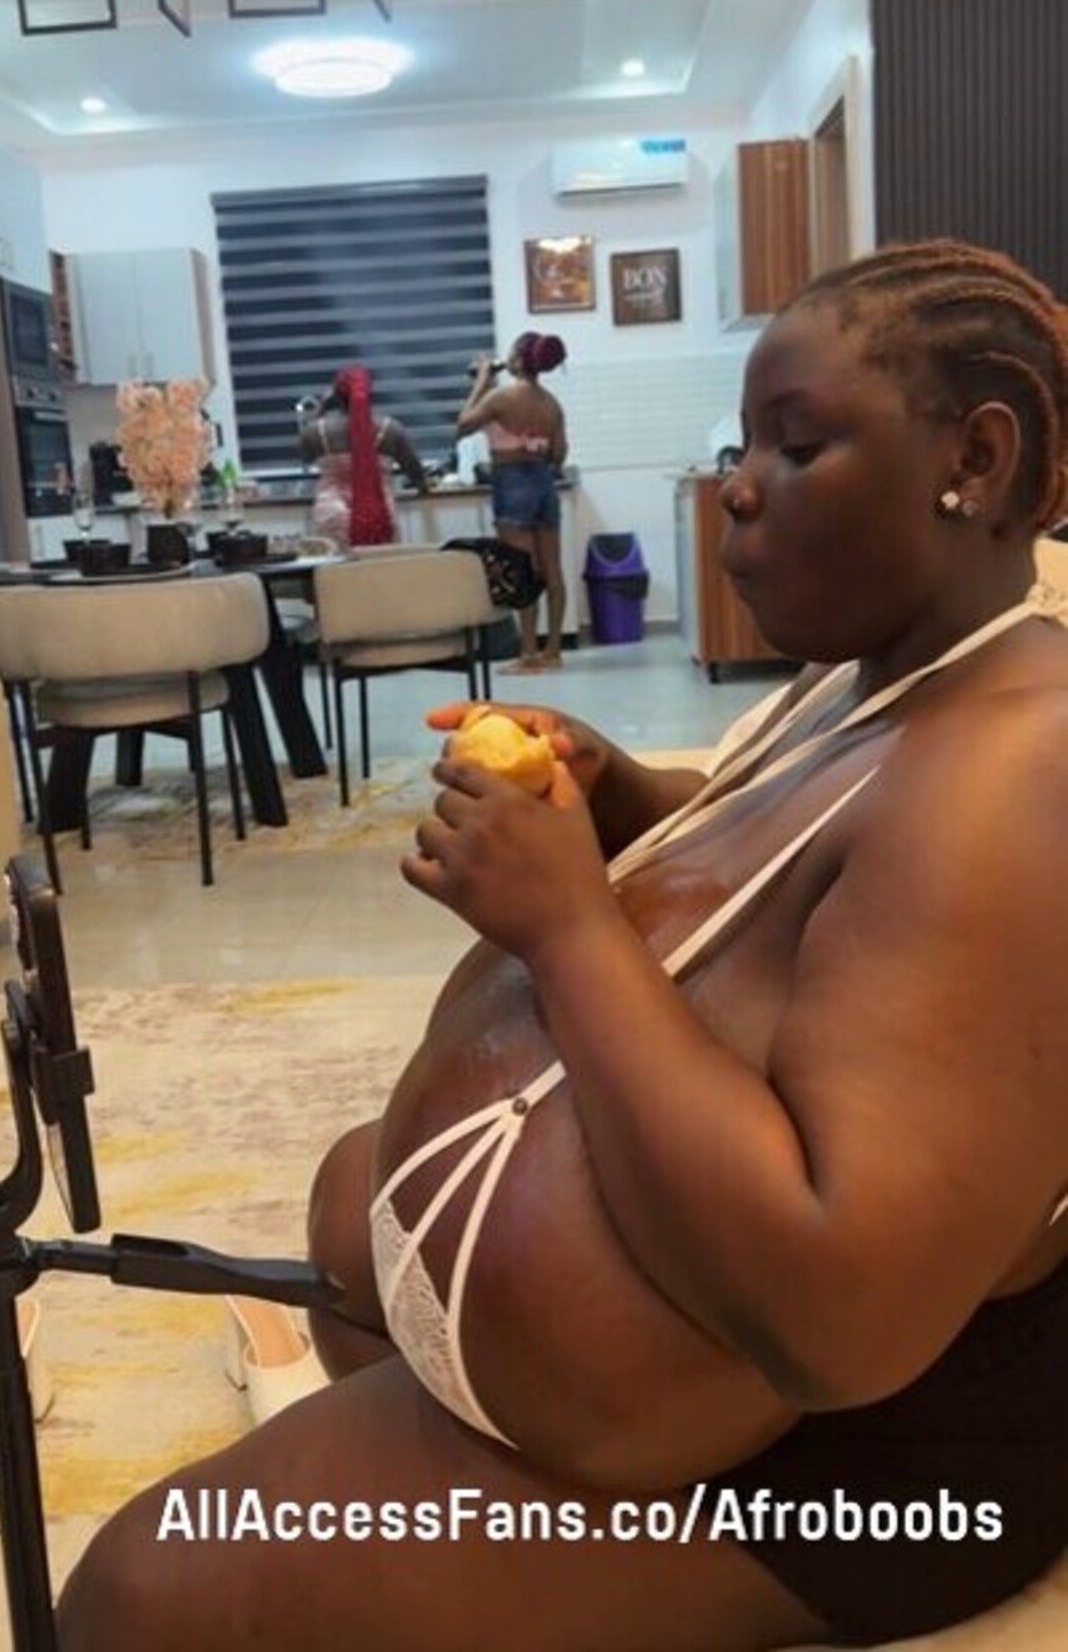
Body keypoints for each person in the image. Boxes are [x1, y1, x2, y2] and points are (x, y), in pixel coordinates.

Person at [58, 240, 1068, 1652]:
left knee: (140, 1592)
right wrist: (626, 798)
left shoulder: (1019, 780)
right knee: (354, 1206)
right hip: (713, 1383)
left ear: (977, 457)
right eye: (743, 445)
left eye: (797, 445)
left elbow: (842, 1319)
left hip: (870, 1472)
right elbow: (813, 878)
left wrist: (565, 920)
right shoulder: (884, 671)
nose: (741, 484)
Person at [457, 331, 569, 670]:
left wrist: (481, 380)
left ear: (518, 360)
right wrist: (533, 447)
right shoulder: (551, 404)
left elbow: (463, 425)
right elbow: (559, 455)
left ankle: (528, 653)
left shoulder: (501, 398)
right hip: (543, 483)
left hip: (511, 482)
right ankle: (553, 651)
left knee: (522, 571)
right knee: (552, 570)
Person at [299, 364, 428, 548]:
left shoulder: (315, 430)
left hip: (332, 512)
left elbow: (306, 457)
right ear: (370, 394)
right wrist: (424, 488)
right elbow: (415, 473)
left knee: (336, 565)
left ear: (335, 396)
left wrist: (322, 409)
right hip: (379, 513)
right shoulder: (391, 429)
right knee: (381, 564)